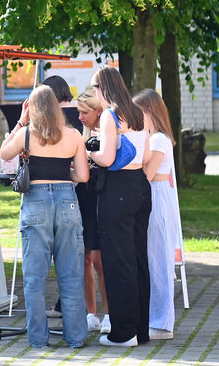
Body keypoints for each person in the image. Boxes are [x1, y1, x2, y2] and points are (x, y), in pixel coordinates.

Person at [1, 85, 89, 348]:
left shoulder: (27, 135)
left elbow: (4, 153)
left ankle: (39, 339)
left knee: (35, 277)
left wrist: (20, 120)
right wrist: (64, 178)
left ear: (33, 108)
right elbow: (83, 176)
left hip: (36, 200)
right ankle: (75, 338)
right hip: (66, 202)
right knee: (71, 275)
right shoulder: (74, 135)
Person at [88, 66, 151, 347]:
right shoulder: (139, 113)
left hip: (118, 189)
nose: (94, 94)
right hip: (140, 186)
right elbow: (146, 154)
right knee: (138, 258)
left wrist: (89, 150)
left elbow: (107, 156)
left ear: (104, 88)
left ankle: (124, 333)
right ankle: (141, 330)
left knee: (117, 260)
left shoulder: (109, 115)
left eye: (94, 88)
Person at [37, 75, 101, 330]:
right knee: (87, 253)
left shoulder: (52, 120)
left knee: (74, 253)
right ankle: (88, 310)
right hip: (85, 189)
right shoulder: (80, 116)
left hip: (65, 190)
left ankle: (77, 308)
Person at [133, 89, 182, 341]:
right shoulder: (154, 138)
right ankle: (154, 317)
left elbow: (147, 173)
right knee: (151, 259)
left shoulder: (159, 139)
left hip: (157, 197)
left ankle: (163, 322)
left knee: (159, 260)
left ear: (148, 113)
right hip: (152, 195)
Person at [74, 87, 110, 331]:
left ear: (98, 111)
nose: (80, 116)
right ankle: (91, 313)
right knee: (85, 258)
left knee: (100, 260)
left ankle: (109, 312)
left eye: (84, 112)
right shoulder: (82, 135)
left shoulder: (108, 133)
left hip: (100, 200)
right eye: (78, 111)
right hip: (83, 199)